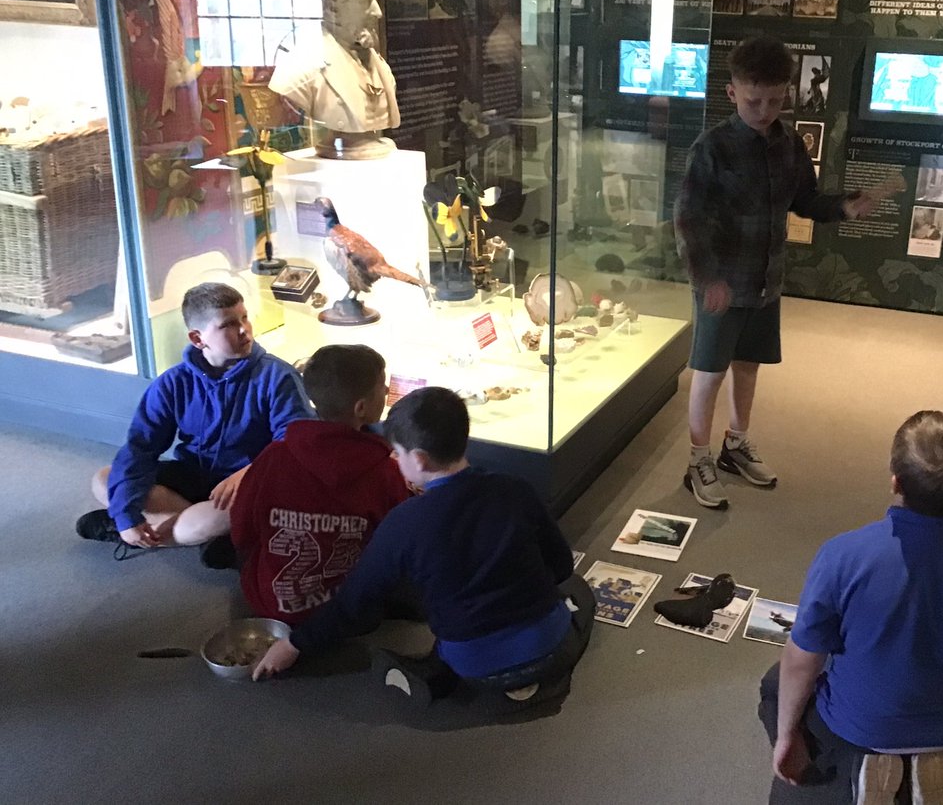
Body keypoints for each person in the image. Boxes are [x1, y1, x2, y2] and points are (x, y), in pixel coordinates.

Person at [252, 386, 595, 706]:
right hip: (552, 649)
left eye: (396, 453)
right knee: (578, 591)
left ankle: (435, 677)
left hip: (471, 664)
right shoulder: (515, 489)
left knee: (449, 628)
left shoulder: (403, 522)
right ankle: (539, 672)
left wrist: (295, 643)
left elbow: (353, 603)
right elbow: (562, 566)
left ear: (417, 459)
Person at [674, 35, 901, 509]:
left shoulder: (789, 143)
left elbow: (807, 201)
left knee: (749, 366)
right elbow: (690, 220)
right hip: (721, 283)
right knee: (710, 371)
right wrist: (708, 278)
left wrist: (845, 206)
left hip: (765, 280)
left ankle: (736, 444)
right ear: (732, 93)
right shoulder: (711, 148)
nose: (764, 110)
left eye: (775, 100)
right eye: (754, 100)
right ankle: (698, 459)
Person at [759, 410, 943, 805]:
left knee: (774, 684)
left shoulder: (843, 556)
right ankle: (926, 765)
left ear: (895, 481)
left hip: (858, 725)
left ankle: (857, 771)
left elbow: (803, 660)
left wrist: (786, 737)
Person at [74, 282, 313, 560]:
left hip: (247, 484)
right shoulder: (173, 382)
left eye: (244, 317)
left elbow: (296, 443)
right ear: (198, 339)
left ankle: (167, 531)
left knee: (213, 520)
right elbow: (141, 448)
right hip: (194, 475)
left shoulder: (278, 376)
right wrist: (126, 515)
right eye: (228, 325)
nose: (244, 329)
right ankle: (205, 538)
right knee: (103, 478)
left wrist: (250, 471)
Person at [230, 344, 411, 623]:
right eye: (381, 387)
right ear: (361, 408)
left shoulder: (273, 458)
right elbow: (398, 542)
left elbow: (242, 529)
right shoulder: (384, 472)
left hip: (272, 605)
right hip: (349, 612)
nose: (386, 392)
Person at [269, 0, 399, 158]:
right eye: (366, 0)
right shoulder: (303, 65)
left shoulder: (378, 64)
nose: (378, 12)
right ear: (335, 5)